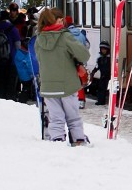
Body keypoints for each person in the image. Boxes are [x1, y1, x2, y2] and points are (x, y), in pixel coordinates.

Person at [32, 8, 91, 145]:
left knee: (55, 117)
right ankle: (78, 139)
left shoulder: (38, 40)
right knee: (73, 117)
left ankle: (57, 140)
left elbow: (39, 59)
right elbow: (84, 55)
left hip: (48, 86)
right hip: (67, 85)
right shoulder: (65, 36)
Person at [0, 10, 20, 100]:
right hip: (11, 59)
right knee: (9, 82)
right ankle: (9, 98)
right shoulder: (13, 29)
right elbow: (18, 45)